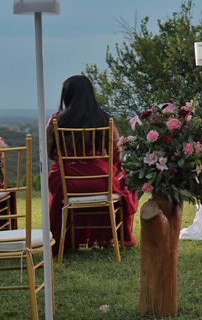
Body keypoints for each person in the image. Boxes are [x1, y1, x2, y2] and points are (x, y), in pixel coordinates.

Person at [46, 75, 138, 252]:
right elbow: (116, 153)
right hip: (100, 179)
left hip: (67, 181)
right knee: (125, 182)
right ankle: (115, 236)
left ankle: (68, 238)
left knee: (58, 185)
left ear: (66, 95)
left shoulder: (56, 121)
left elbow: (51, 154)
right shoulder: (104, 119)